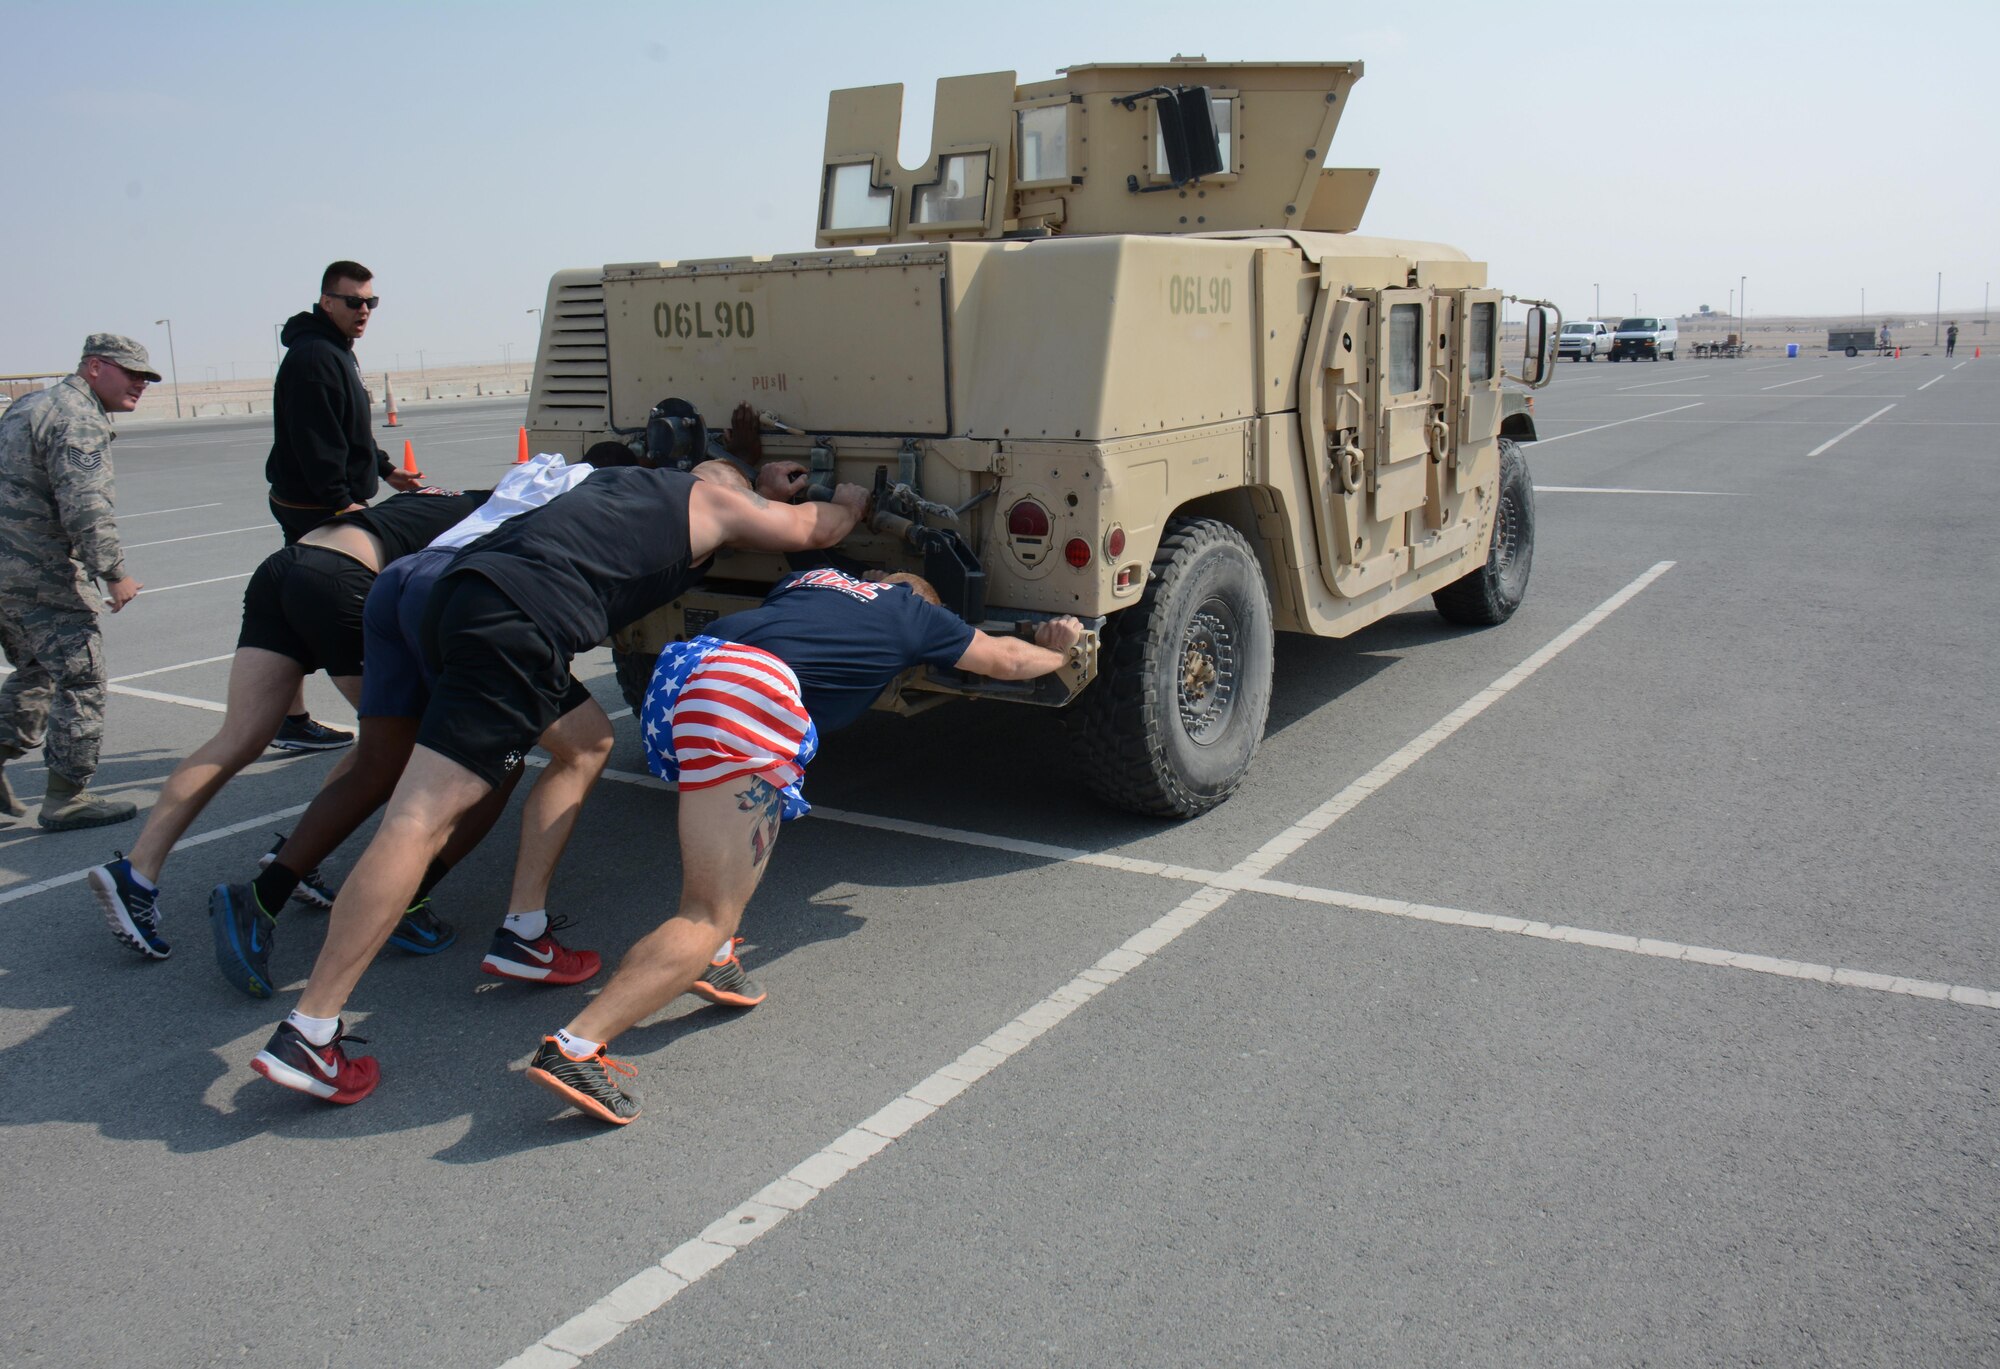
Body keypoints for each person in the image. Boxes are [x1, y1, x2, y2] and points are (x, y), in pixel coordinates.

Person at [249, 464, 869, 1105]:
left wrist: (755, 491)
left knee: (586, 741)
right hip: (519, 625)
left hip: (462, 600)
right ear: (728, 486)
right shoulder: (716, 500)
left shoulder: (622, 483)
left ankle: (524, 932)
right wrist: (847, 500)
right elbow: (813, 527)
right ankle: (311, 1030)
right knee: (417, 819)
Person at [526, 567, 1083, 1125]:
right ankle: (575, 1048)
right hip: (745, 695)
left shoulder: (812, 579)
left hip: (687, 674)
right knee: (706, 913)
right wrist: (1059, 649)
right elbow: (1009, 660)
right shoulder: (912, 611)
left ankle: (712, 964)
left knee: (726, 853)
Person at [207, 450, 613, 999]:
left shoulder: (531, 474)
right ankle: (410, 899)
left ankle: (261, 896)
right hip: (470, 603)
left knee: (380, 762)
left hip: (399, 587)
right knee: (502, 764)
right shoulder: (606, 498)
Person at [87, 485, 491, 963]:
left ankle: (138, 870)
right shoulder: (515, 511)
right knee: (394, 747)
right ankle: (306, 860)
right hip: (344, 577)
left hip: (288, 564)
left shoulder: (456, 494)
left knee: (239, 736)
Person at [265, 260, 423, 753]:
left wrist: (383, 468)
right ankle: (393, 729)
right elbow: (317, 443)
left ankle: (290, 720)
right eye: (353, 302)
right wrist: (343, 505)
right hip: (316, 508)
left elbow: (350, 429)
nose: (364, 311)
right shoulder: (315, 358)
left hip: (321, 502)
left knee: (294, 615)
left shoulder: (335, 351)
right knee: (344, 615)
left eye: (370, 302)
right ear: (327, 302)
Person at [0, 335, 155, 831]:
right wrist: (115, 573)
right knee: (81, 678)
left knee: (35, 672)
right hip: (44, 576)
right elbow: (86, 508)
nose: (140, 384)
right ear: (94, 367)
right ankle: (67, 796)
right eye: (129, 373)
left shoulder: (31, 405)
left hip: (7, 572)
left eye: (146, 377)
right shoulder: (79, 418)